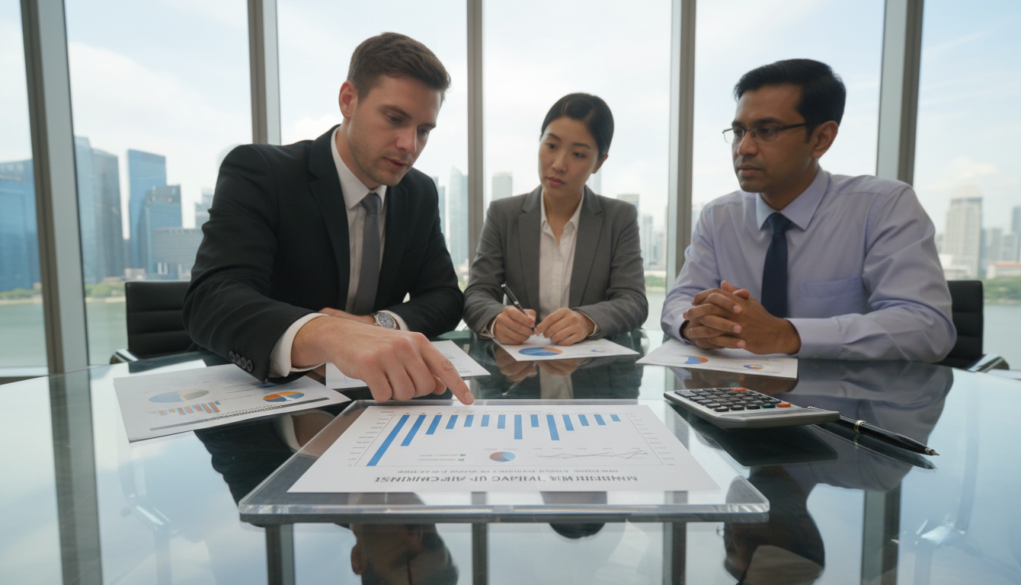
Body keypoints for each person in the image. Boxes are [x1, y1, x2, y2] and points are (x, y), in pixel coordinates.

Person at [184, 33, 473, 404]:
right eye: (395, 118)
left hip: (381, 402)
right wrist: (329, 335)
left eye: (423, 130)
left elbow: (445, 296)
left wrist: (375, 326)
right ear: (348, 100)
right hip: (270, 405)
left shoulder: (418, 192)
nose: (409, 145)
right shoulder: (262, 172)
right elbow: (211, 299)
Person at [661, 59, 955, 362]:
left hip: (848, 404)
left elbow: (927, 327)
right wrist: (694, 324)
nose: (744, 148)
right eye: (739, 132)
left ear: (821, 138)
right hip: (736, 398)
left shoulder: (883, 206)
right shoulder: (719, 215)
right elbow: (678, 301)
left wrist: (786, 334)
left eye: (766, 130)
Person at [463, 93, 648, 346]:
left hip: (591, 373)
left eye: (579, 155)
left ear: (599, 163)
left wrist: (586, 320)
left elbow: (633, 301)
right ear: (540, 142)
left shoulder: (619, 218)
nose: (559, 164)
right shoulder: (503, 214)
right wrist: (497, 319)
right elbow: (477, 293)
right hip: (521, 373)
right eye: (551, 146)